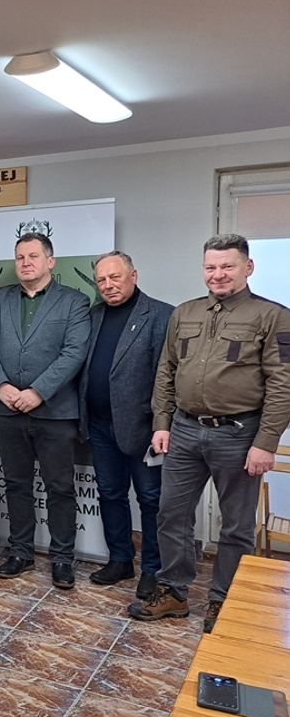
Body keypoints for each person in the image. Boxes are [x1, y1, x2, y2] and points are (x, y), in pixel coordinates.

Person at [129, 234, 290, 633]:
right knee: (171, 514)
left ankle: (224, 599)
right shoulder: (184, 313)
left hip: (239, 434)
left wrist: (265, 443)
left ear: (247, 268)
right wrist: (161, 424)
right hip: (184, 430)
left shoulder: (274, 317)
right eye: (210, 267)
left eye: (227, 266)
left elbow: (284, 383)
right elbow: (166, 371)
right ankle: (174, 592)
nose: (217, 274)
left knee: (235, 525)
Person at [0, 232, 90, 588]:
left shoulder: (75, 301)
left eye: (33, 256)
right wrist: (2, 387)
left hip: (54, 412)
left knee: (60, 487)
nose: (26, 263)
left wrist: (38, 392)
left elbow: (74, 351)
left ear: (50, 262)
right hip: (8, 409)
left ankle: (62, 559)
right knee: (16, 484)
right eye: (20, 257)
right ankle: (21, 551)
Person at [78, 252, 173, 598]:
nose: (108, 285)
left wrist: (165, 424)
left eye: (115, 277)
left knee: (151, 499)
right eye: (101, 280)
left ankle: (152, 568)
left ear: (133, 274)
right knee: (110, 494)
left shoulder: (161, 315)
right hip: (101, 426)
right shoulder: (93, 315)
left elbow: (169, 375)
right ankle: (120, 559)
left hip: (145, 428)